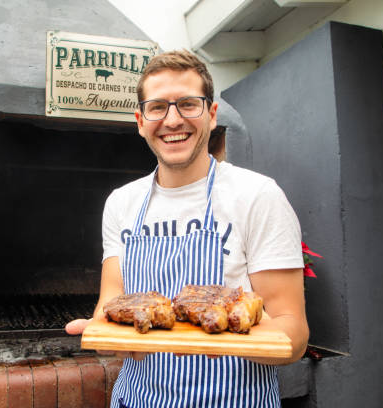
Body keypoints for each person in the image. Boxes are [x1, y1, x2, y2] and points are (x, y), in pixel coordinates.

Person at [66, 49, 309, 408]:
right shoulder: (122, 202)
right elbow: (110, 308)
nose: (173, 119)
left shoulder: (258, 196)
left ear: (211, 115)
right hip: (138, 401)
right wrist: (103, 336)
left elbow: (295, 334)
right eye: (158, 107)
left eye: (188, 104)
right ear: (140, 120)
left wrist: (231, 339)